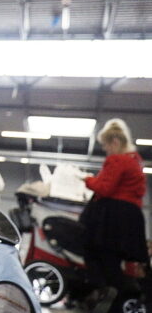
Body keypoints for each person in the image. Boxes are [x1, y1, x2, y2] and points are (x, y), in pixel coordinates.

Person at [80, 119, 148, 313]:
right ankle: (118, 300)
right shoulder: (135, 160)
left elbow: (105, 188)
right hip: (131, 217)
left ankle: (105, 292)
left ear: (115, 141)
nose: (105, 150)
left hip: (113, 216)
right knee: (114, 262)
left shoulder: (117, 159)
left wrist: (87, 179)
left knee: (95, 253)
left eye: (105, 145)